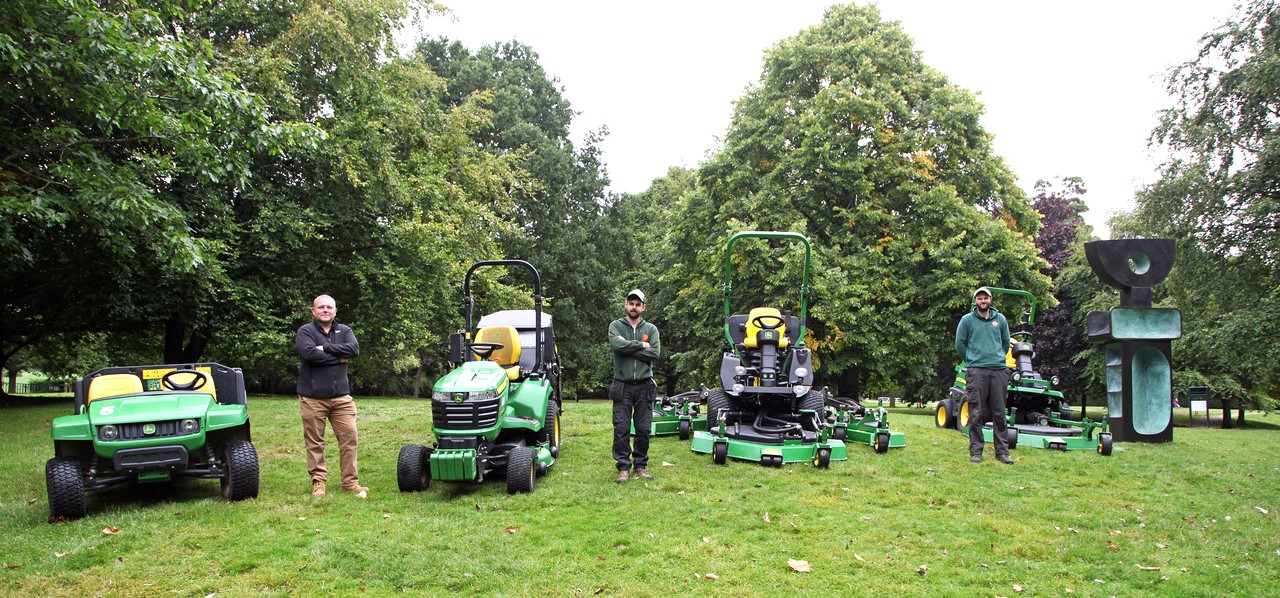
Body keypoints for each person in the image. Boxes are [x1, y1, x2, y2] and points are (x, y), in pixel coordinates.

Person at [296, 294, 367, 497]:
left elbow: (354, 349)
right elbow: (308, 354)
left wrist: (326, 348)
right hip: (312, 398)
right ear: (313, 310)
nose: (325, 310)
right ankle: (319, 482)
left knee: (349, 439)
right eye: (321, 307)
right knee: (315, 442)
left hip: (342, 399)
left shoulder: (344, 330)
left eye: (329, 307)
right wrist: (339, 357)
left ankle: (350, 483)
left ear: (335, 311)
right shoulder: (305, 331)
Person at [955, 287, 1013, 465]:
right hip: (976, 371)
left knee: (999, 413)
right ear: (976, 301)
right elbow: (960, 344)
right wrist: (973, 360)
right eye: (979, 298)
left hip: (998, 371)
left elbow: (1005, 343)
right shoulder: (967, 320)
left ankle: (1002, 453)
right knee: (976, 413)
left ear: (990, 299)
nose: (982, 301)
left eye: (985, 298)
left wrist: (996, 358)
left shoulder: (1000, 319)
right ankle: (976, 452)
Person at [609, 289, 661, 483]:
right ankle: (623, 468)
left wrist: (628, 347)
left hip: (645, 386)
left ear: (643, 307)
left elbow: (654, 354)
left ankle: (640, 466)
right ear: (625, 305)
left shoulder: (651, 329)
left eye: (638, 304)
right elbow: (617, 346)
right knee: (621, 428)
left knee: (643, 429)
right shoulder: (616, 326)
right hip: (622, 386)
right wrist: (641, 346)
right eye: (631, 303)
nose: (634, 307)